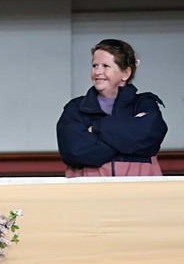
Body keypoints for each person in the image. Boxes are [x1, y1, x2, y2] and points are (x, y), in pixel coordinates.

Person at [56, 39, 167, 177]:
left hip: (139, 194)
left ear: (125, 73)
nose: (97, 72)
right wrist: (127, 138)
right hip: (89, 195)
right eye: (95, 65)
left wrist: (96, 128)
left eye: (105, 66)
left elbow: (152, 136)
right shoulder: (75, 108)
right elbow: (74, 151)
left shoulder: (144, 104)